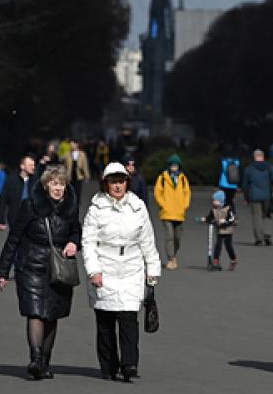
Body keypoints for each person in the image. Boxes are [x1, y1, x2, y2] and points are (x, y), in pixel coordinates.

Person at [0, 166, 81, 380]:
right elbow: (13, 238)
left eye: (61, 183)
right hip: (31, 266)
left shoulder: (70, 207)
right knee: (35, 312)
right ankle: (35, 358)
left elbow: (77, 230)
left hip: (58, 268)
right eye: (54, 183)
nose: (58, 188)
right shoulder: (30, 206)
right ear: (45, 186)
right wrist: (3, 271)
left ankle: (44, 362)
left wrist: (74, 242)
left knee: (52, 314)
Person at [82, 162, 161, 381]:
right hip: (104, 265)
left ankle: (129, 364)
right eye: (113, 182)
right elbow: (88, 242)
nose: (117, 186)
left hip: (131, 266)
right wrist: (93, 270)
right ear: (105, 184)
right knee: (105, 320)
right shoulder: (95, 208)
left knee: (128, 317)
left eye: (121, 181)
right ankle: (108, 366)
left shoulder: (138, 206)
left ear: (128, 182)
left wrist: (152, 270)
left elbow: (148, 240)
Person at [154, 154, 191, 270]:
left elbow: (187, 193)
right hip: (167, 212)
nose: (174, 167)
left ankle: (173, 255)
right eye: (172, 165)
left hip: (179, 213)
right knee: (169, 237)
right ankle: (171, 259)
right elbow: (157, 193)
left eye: (176, 165)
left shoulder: (183, 178)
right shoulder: (163, 178)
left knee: (177, 238)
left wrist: (184, 206)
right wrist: (163, 204)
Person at [241, 149, 273, 245]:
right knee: (267, 215)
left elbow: (245, 185)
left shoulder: (249, 169)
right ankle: (267, 234)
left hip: (254, 196)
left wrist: (246, 198)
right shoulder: (269, 167)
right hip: (267, 195)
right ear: (263, 156)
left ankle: (259, 238)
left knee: (257, 217)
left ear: (254, 157)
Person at [0, 155, 38, 232]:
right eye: (30, 165)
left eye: (34, 165)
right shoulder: (12, 179)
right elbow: (3, 200)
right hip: (14, 218)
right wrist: (1, 221)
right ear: (22, 166)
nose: (33, 167)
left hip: (31, 219)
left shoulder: (36, 181)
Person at [200, 190, 237, 271]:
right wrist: (205, 219)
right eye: (213, 200)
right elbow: (209, 217)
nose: (213, 202)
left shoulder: (228, 208)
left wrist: (225, 221)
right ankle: (216, 261)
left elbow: (232, 219)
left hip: (227, 230)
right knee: (218, 245)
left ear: (220, 201)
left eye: (215, 200)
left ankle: (233, 260)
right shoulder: (213, 209)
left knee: (228, 246)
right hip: (219, 230)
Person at [63, 139, 89, 206]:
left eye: (72, 144)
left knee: (78, 191)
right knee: (70, 191)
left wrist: (87, 176)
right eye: (70, 144)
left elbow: (85, 166)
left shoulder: (82, 154)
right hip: (70, 175)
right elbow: (63, 164)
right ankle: (71, 204)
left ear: (77, 144)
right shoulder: (67, 154)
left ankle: (77, 205)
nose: (71, 146)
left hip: (78, 176)